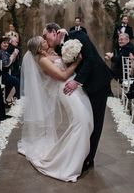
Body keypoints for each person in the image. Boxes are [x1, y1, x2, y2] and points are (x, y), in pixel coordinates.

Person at [18, 36, 93, 182]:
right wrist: (77, 62)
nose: (46, 40)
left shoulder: (48, 55)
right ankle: (66, 163)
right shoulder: (42, 60)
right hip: (65, 89)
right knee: (80, 123)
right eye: (43, 41)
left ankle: (75, 156)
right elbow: (62, 75)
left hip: (72, 87)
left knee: (85, 121)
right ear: (40, 48)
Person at [43, 22, 113, 172]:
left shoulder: (79, 35)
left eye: (45, 34)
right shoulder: (57, 47)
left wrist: (76, 81)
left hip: (98, 83)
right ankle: (82, 154)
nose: (44, 38)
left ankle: (88, 159)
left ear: (54, 32)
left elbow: (90, 60)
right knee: (86, 120)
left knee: (96, 121)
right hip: (85, 86)